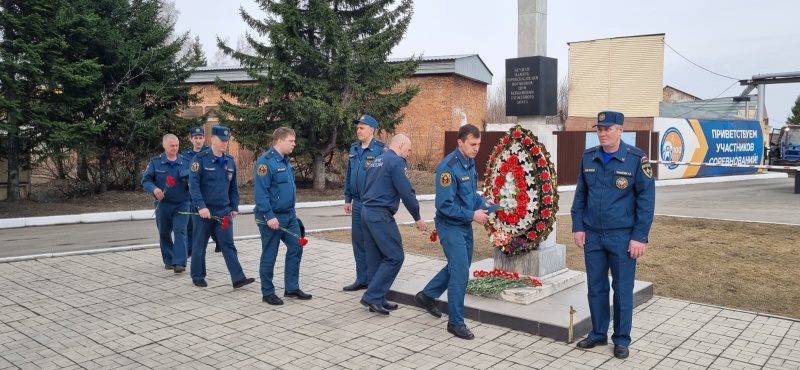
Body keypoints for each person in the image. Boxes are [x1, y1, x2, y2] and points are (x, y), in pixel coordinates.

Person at [571, 111, 655, 359]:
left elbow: (646, 200)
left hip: (622, 236)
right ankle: (598, 333)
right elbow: (580, 196)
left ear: (621, 130)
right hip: (593, 236)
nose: (602, 133)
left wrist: (640, 236)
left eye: (608, 129)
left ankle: (621, 339)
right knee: (596, 287)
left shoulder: (636, 159)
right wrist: (578, 226)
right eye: (599, 129)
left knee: (622, 289)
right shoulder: (589, 157)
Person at [414, 124, 490, 340]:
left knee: (460, 265)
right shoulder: (448, 167)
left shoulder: (468, 162)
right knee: (460, 273)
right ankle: (455, 322)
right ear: (460, 142)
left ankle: (426, 296)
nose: (476, 148)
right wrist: (473, 215)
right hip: (449, 225)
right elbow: (445, 205)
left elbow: (470, 196)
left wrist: (484, 202)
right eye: (472, 144)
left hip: (463, 223)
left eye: (478, 144)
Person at [359, 134, 427, 315]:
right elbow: (406, 191)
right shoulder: (396, 162)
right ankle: (372, 296)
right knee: (395, 256)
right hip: (380, 214)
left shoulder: (377, 160)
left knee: (375, 259)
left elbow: (364, 186)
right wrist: (417, 216)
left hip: (366, 213)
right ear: (401, 145)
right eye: (409, 150)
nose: (409, 154)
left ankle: (378, 299)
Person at [188, 125, 255, 289]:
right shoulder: (200, 159)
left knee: (228, 244)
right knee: (199, 245)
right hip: (204, 212)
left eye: (227, 140)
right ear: (213, 140)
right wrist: (201, 207)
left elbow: (233, 187)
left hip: (223, 211)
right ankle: (198, 276)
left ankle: (238, 278)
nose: (225, 143)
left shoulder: (230, 161)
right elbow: (194, 186)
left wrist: (234, 206)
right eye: (222, 140)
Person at [254, 127, 311, 305]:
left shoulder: (286, 161)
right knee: (270, 254)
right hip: (271, 217)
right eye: (291, 141)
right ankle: (267, 292)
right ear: (280, 140)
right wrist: (269, 216)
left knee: (296, 247)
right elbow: (261, 193)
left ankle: (291, 287)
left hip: (289, 216)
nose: (294, 144)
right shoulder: (265, 163)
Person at [342, 114, 387, 292]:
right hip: (358, 203)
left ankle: (376, 281)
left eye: (362, 127)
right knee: (358, 242)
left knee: (374, 242)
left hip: (373, 204)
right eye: (358, 127)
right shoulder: (354, 149)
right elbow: (349, 175)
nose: (358, 130)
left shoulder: (380, 150)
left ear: (372, 130)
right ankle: (362, 279)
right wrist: (348, 198)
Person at [142, 134, 192, 273]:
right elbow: (146, 181)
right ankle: (169, 260)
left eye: (177, 145)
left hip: (182, 203)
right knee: (164, 232)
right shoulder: (155, 162)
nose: (175, 148)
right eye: (172, 146)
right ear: (164, 145)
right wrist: (154, 189)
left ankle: (180, 262)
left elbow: (195, 180)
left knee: (180, 231)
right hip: (163, 204)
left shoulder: (186, 162)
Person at [182, 126, 216, 256]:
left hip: (207, 192)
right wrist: (191, 175)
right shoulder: (185, 155)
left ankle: (218, 240)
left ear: (204, 138)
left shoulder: (210, 152)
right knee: (191, 222)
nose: (198, 141)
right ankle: (190, 249)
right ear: (191, 139)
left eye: (200, 138)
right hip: (191, 192)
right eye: (195, 138)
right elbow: (182, 172)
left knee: (211, 220)